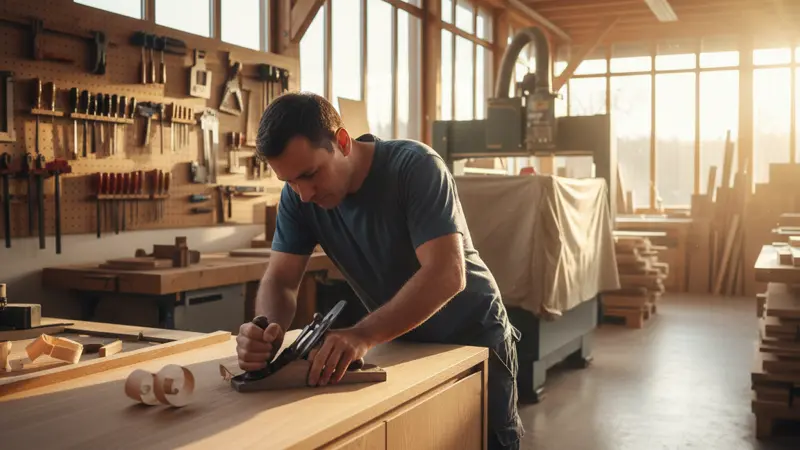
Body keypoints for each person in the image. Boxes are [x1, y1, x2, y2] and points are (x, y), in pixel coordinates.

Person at [236, 92, 524, 450]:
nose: (304, 194)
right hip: (401, 340)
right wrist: (266, 330)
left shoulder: (415, 167)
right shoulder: (298, 197)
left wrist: (362, 334)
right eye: (289, 181)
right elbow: (280, 280)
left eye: (310, 174)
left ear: (342, 142)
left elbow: (447, 273)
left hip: (472, 336)